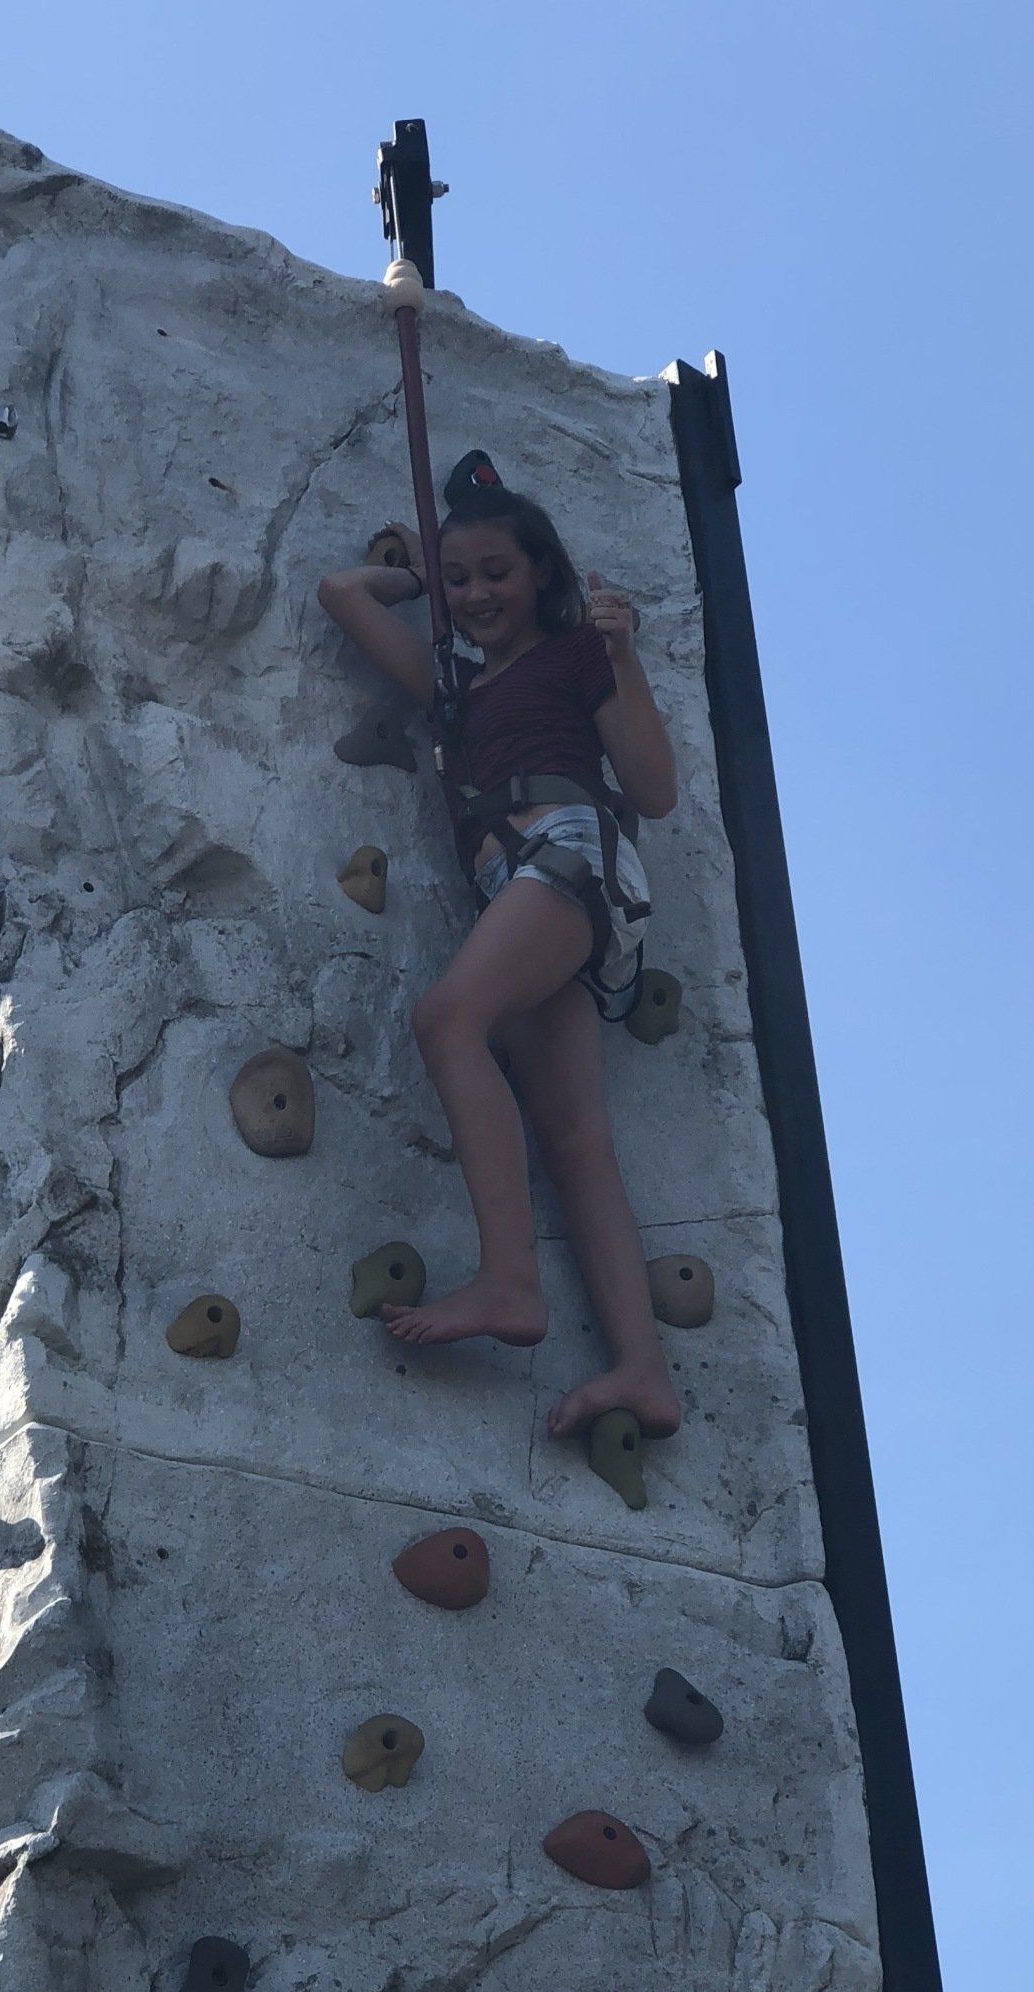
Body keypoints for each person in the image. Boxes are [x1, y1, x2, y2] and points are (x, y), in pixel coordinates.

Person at [317, 482, 681, 1444]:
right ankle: (643, 1370)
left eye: (498, 573)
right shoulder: (453, 689)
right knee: (574, 1139)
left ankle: (512, 1281)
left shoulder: (577, 657)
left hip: (567, 852)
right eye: (460, 579)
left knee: (447, 1020)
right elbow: (341, 593)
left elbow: (653, 788)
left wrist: (624, 654)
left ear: (544, 574)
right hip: (508, 883)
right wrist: (419, 581)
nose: (476, 593)